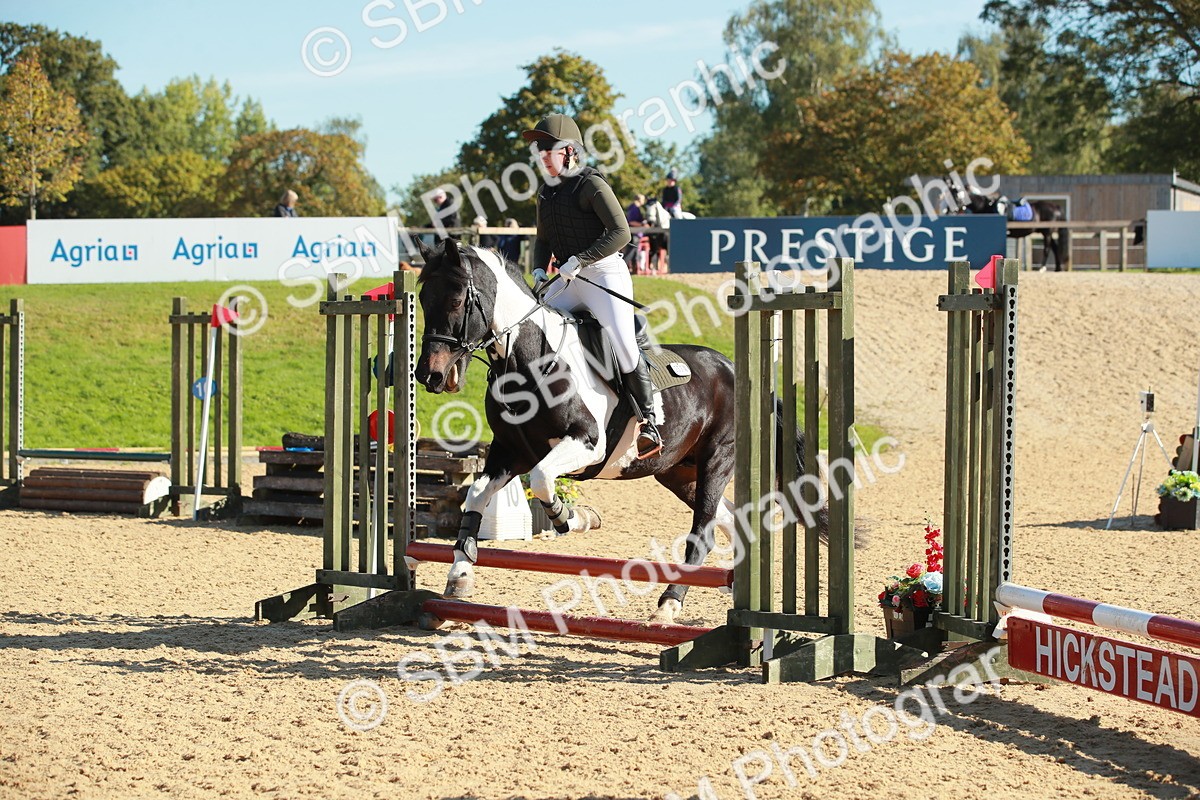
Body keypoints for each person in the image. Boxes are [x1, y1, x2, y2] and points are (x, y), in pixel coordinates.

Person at [522, 113, 661, 458]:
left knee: (624, 345)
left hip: (602, 273)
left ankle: (650, 422)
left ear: (568, 151)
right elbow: (543, 239)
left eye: (547, 152)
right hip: (568, 278)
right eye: (539, 153)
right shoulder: (545, 194)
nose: (542, 158)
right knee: (533, 329)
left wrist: (580, 260)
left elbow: (621, 233)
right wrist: (540, 270)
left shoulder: (591, 185)